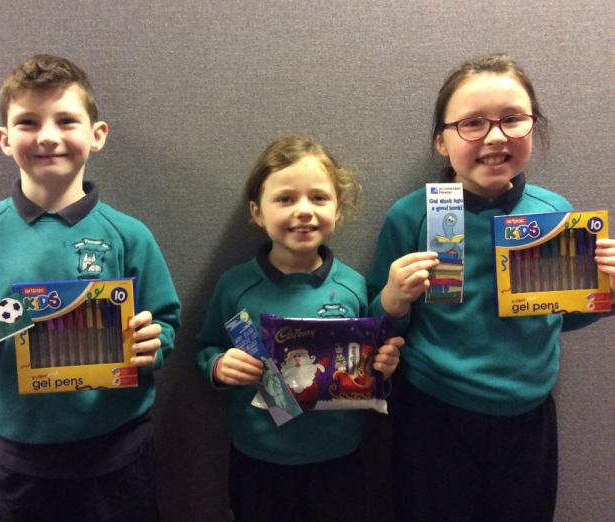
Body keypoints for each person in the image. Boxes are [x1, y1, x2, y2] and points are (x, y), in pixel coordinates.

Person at [0, 54, 181, 522]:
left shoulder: (129, 235)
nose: (48, 136)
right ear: (4, 139)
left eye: (66, 120)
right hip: (22, 457)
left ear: (97, 135)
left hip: (118, 452)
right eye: (28, 122)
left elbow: (166, 321)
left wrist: (154, 341)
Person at [366, 53, 615, 522]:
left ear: (534, 126)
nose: (495, 137)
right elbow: (377, 330)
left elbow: (561, 316)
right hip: (433, 411)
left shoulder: (553, 215)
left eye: (512, 119)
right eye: (472, 124)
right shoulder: (411, 216)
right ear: (440, 140)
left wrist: (607, 294)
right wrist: (391, 301)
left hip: (528, 415)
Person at [196, 136, 404, 522]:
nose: (304, 211)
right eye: (286, 199)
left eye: (319, 198)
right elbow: (206, 346)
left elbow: (372, 366)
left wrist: (383, 367)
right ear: (257, 212)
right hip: (258, 458)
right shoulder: (236, 287)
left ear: (338, 209)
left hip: (337, 458)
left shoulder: (354, 288)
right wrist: (219, 366)